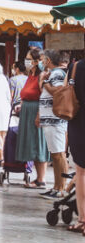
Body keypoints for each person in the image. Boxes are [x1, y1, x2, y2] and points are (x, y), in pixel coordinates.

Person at [15, 48, 50, 189]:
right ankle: (38, 178)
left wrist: (39, 115)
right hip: (27, 111)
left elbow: (44, 96)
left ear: (36, 61)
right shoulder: (31, 74)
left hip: (36, 112)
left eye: (29, 58)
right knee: (33, 145)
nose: (26, 61)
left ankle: (41, 179)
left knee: (39, 144)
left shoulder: (42, 76)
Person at [38, 49, 70, 198]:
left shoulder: (56, 73)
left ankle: (61, 188)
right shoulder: (54, 73)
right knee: (55, 154)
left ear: (49, 60)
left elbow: (58, 91)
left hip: (55, 120)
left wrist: (44, 83)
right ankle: (56, 186)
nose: (42, 62)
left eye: (44, 59)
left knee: (59, 155)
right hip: (51, 120)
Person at [66, 55, 85, 235]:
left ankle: (82, 220)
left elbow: (66, 90)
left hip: (79, 123)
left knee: (81, 171)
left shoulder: (75, 67)